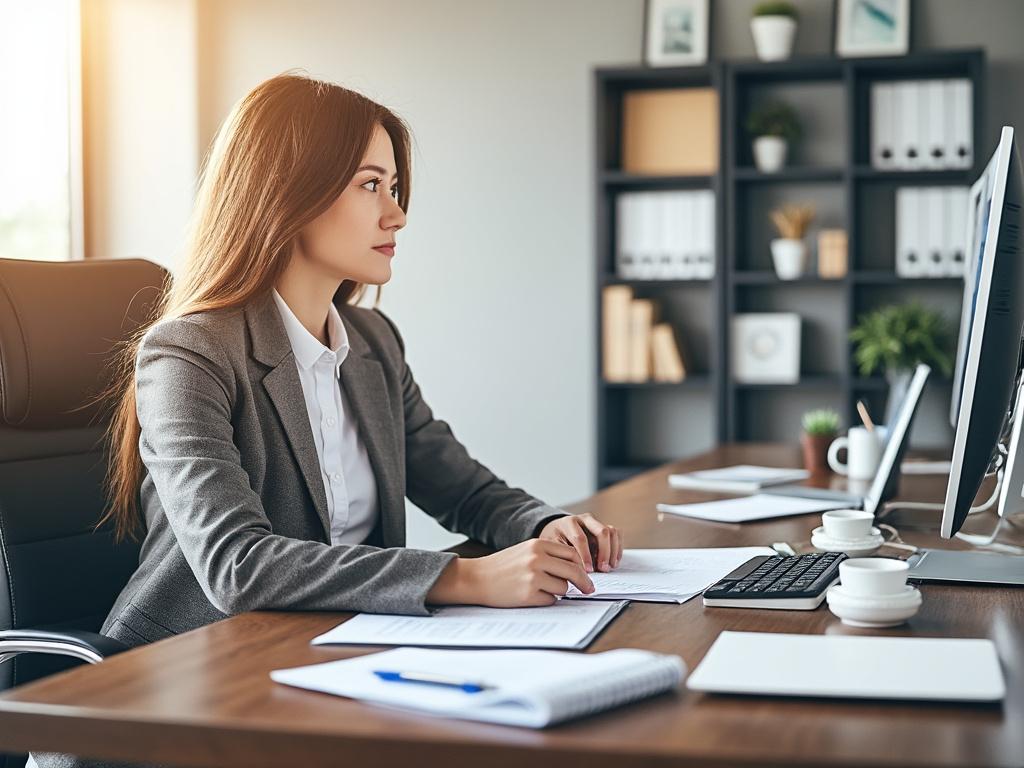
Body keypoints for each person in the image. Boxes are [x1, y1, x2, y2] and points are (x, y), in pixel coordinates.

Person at [30, 71, 623, 768]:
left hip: (326, 670)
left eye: (395, 189)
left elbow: (464, 489)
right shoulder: (188, 353)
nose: (396, 214)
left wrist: (547, 527)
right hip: (179, 693)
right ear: (289, 193)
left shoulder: (372, 344)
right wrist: (467, 579)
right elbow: (236, 566)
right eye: (371, 185)